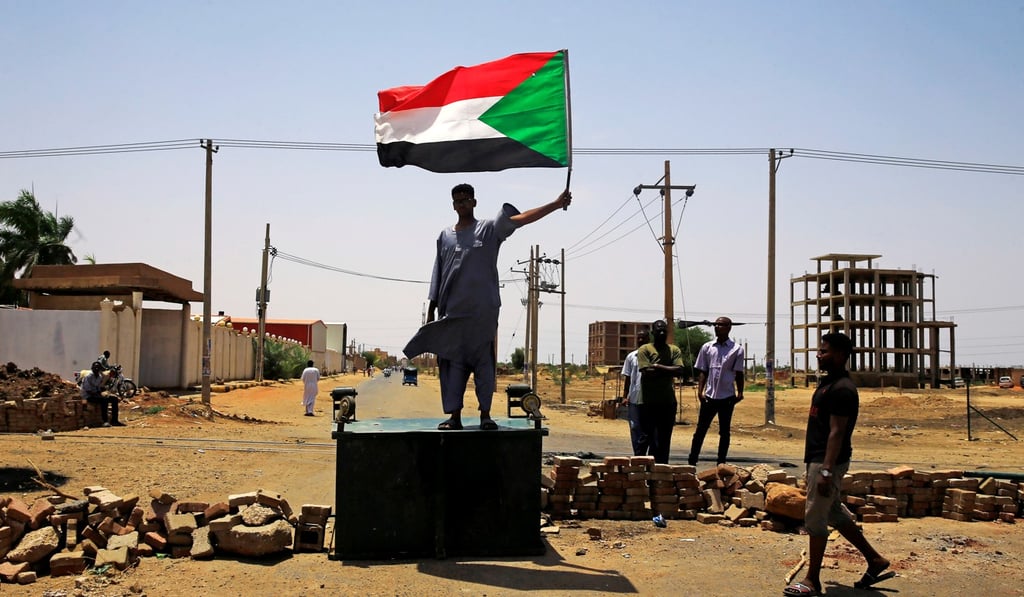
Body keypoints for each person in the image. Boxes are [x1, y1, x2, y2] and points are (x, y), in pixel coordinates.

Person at [404, 183, 571, 431]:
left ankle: (485, 415)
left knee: (484, 365)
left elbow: (522, 219)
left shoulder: (489, 230)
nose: (462, 204)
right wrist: (431, 313)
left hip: (483, 316)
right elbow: (437, 275)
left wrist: (556, 205)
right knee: (452, 366)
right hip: (452, 316)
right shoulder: (445, 236)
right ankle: (455, 417)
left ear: (474, 202)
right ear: (453, 205)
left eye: (466, 199)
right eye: (457, 201)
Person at [784, 332, 892, 596]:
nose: (819, 355)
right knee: (833, 512)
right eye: (820, 351)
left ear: (842, 355)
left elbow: (837, 432)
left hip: (826, 460)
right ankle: (875, 560)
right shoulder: (828, 384)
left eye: (825, 351)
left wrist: (825, 470)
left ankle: (811, 580)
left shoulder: (842, 389)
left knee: (815, 518)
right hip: (821, 459)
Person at [688, 316, 745, 466]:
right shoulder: (707, 347)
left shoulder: (737, 349)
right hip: (709, 396)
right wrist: (700, 391)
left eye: (721, 325)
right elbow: (703, 371)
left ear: (728, 327)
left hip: (727, 397)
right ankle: (692, 461)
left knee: (724, 432)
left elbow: (739, 373)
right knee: (700, 430)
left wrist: (740, 393)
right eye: (716, 325)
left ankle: (721, 463)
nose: (717, 327)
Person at [636, 319, 684, 464]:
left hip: (667, 402)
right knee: (646, 437)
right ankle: (640, 467)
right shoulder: (645, 349)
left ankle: (661, 468)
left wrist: (657, 366)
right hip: (647, 402)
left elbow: (680, 370)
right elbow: (646, 372)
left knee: (664, 439)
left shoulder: (673, 350)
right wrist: (668, 369)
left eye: (664, 330)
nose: (662, 333)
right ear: (652, 333)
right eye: (658, 330)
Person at [620, 329, 650, 456]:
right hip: (634, 398)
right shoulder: (631, 357)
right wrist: (624, 396)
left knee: (648, 429)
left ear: (648, 339)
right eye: (639, 338)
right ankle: (638, 455)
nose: (641, 340)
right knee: (634, 427)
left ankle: (646, 454)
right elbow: (627, 377)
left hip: (650, 399)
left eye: (643, 338)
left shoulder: (652, 355)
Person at [80, 361, 123, 427]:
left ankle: (114, 420)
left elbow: (99, 387)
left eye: (98, 368)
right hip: (88, 396)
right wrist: (99, 394)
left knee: (114, 399)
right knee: (104, 400)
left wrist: (105, 393)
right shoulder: (88, 377)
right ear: (92, 368)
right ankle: (105, 421)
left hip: (96, 394)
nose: (96, 369)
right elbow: (88, 390)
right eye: (95, 368)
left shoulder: (99, 377)